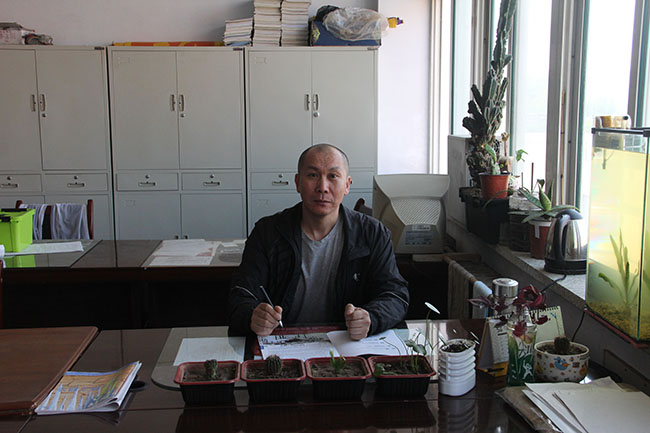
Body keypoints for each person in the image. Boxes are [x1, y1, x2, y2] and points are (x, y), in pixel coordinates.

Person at [228, 143, 409, 339]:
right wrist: (253, 316)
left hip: (345, 343)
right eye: (312, 175)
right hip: (280, 343)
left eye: (333, 176)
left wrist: (371, 318)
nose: (322, 187)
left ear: (347, 185)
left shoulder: (373, 233)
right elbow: (241, 293)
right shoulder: (268, 232)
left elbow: (395, 295)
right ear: (298, 182)